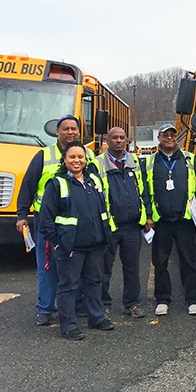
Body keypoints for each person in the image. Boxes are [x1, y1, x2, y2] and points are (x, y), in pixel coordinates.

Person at [16, 114, 96, 326]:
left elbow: (97, 183)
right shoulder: (43, 155)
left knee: (77, 265)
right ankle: (45, 308)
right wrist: (22, 215)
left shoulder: (88, 154)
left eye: (74, 129)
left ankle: (78, 305)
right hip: (48, 222)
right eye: (66, 129)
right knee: (48, 266)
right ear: (57, 132)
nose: (70, 132)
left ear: (79, 132)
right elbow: (28, 186)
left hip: (79, 222)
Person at [38, 141, 113, 340]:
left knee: (94, 282)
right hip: (69, 247)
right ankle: (68, 326)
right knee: (68, 286)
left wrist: (106, 237)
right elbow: (46, 220)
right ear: (65, 160)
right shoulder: (57, 184)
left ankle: (96, 318)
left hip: (95, 244)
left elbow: (103, 210)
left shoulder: (93, 181)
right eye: (72, 157)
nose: (77, 161)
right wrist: (57, 242)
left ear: (85, 159)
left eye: (80, 157)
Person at [146, 122, 196, 317]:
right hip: (161, 220)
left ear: (176, 138)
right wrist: (149, 215)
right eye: (165, 135)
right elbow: (144, 191)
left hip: (184, 220)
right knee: (160, 262)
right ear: (159, 138)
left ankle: (193, 300)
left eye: (172, 135)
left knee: (189, 261)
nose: (169, 138)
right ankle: (163, 299)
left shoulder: (190, 159)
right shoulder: (149, 162)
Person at [94, 127, 152, 319]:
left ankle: (132, 304)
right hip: (110, 226)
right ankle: (103, 305)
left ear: (126, 141)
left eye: (122, 138)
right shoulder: (97, 164)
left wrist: (147, 215)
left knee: (132, 268)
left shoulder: (135, 162)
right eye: (114, 138)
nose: (119, 141)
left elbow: (144, 190)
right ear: (107, 141)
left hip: (132, 226)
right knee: (104, 268)